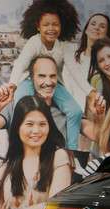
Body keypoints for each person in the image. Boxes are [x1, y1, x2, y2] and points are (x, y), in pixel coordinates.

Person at [7, 0, 83, 150]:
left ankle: (72, 150)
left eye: (55, 24)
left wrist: (91, 92)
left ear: (62, 25)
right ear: (38, 26)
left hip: (54, 84)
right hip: (29, 81)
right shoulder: (34, 42)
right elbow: (20, 64)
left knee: (75, 111)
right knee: (20, 107)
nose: (51, 28)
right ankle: (17, 148)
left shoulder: (63, 46)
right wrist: (13, 85)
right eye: (46, 24)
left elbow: (75, 72)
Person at [0, 56, 104, 147]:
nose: (48, 82)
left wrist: (99, 117)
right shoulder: (15, 104)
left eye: (52, 76)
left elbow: (102, 137)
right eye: (41, 76)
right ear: (31, 78)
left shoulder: (67, 110)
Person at [63, 13, 110, 111]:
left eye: (102, 26)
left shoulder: (108, 65)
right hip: (70, 113)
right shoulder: (71, 57)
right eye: (93, 24)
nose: (96, 28)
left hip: (96, 115)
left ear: (107, 34)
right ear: (86, 29)